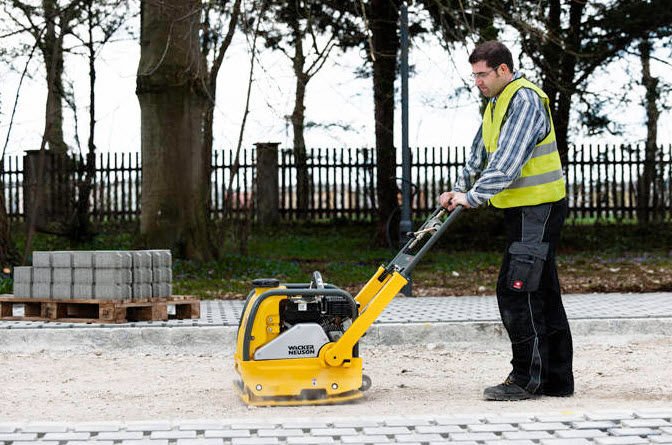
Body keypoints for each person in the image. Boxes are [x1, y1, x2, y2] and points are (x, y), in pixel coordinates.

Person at [439, 41, 574, 401]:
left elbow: (507, 163)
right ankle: (557, 379)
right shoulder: (497, 104)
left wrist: (473, 198)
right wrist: (458, 189)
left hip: (538, 209)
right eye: (474, 75)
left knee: (517, 289)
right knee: (542, 290)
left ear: (502, 70)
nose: (478, 82)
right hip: (523, 210)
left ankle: (526, 379)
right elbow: (481, 153)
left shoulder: (525, 100)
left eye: (482, 74)